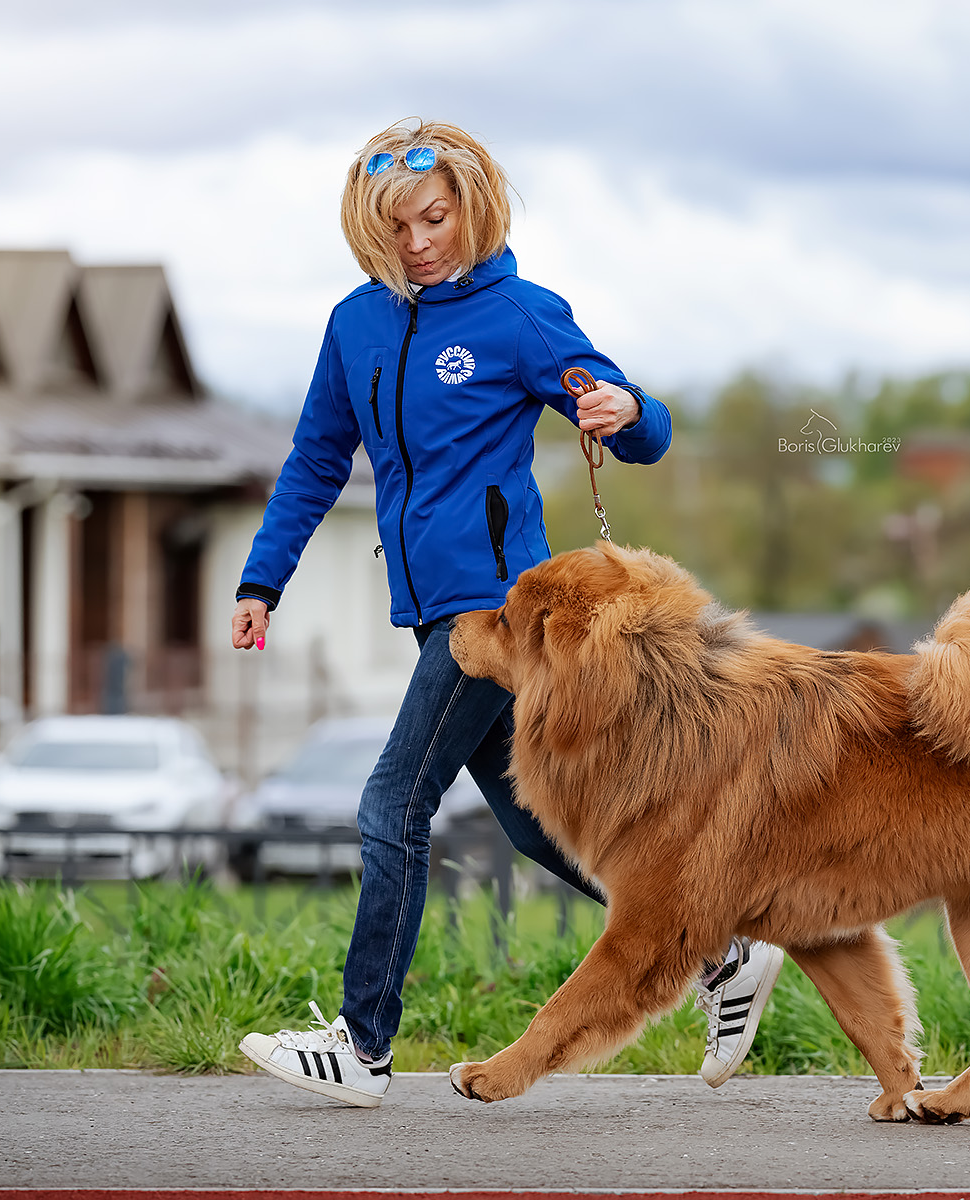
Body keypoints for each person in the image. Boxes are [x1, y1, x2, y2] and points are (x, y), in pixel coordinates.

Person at [229, 119, 785, 1107]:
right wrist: (261, 581)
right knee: (534, 828)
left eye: (435, 218)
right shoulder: (355, 326)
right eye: (398, 226)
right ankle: (719, 949)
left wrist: (627, 411)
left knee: (392, 805)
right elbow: (316, 460)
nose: (418, 243)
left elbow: (640, 421)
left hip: (497, 612)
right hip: (428, 610)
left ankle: (361, 1046)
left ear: (471, 209)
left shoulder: (519, 317)